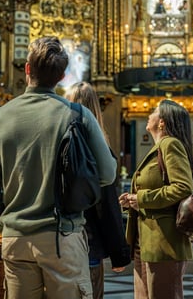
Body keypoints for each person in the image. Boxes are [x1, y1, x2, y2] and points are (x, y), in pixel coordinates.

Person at [0, 36, 117, 299]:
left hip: (16, 239)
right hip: (62, 236)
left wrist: (7, 226)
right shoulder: (78, 115)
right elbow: (108, 174)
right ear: (63, 76)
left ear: (27, 69)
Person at [118, 99, 193, 299]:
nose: (148, 114)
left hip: (163, 242)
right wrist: (133, 201)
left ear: (162, 122)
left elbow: (183, 187)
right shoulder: (158, 148)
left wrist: (141, 198)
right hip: (145, 240)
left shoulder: (170, 144)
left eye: (153, 111)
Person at [64, 82, 130, 299]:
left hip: (54, 240)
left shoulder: (56, 142)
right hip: (88, 242)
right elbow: (108, 206)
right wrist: (119, 253)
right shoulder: (98, 149)